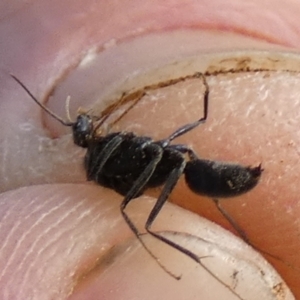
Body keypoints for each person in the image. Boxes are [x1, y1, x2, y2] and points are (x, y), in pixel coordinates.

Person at [0, 1, 299, 299]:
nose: (90, 124)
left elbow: (143, 152)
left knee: (184, 145)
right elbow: (131, 167)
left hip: (187, 169)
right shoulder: (104, 152)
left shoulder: (110, 146)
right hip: (181, 171)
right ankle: (198, 265)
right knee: (150, 221)